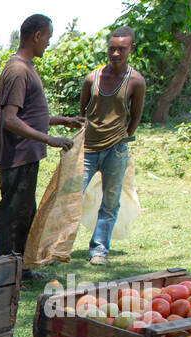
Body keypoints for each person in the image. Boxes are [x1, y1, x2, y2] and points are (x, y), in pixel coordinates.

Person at [0, 15, 84, 261]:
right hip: (18, 154)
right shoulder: (18, 70)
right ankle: (4, 265)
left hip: (27, 153)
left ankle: (20, 263)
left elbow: (28, 116)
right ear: (37, 36)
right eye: (48, 38)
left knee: (24, 212)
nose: (48, 43)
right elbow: (9, 119)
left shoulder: (26, 67)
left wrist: (62, 120)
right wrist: (48, 139)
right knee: (13, 213)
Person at [80, 25, 145, 265]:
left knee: (110, 202)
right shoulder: (92, 78)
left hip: (116, 150)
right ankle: (58, 249)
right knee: (71, 198)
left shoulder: (136, 81)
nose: (115, 54)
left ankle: (99, 250)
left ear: (131, 49)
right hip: (88, 149)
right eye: (111, 49)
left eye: (121, 49)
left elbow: (136, 116)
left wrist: (122, 137)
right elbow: (82, 112)